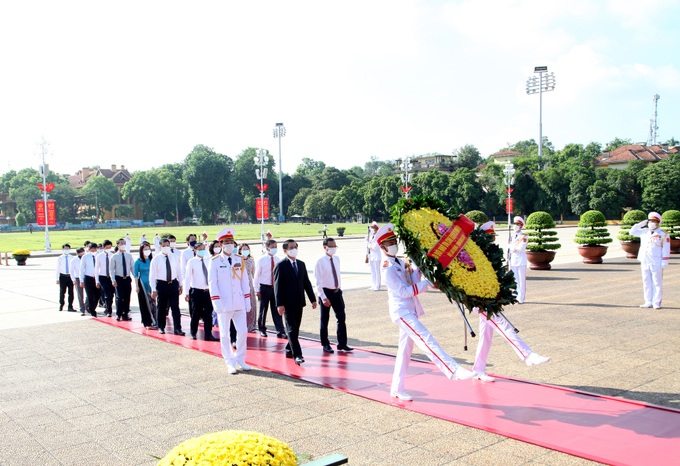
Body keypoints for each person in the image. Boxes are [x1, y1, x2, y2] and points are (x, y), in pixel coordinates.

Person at [376, 223, 474, 401]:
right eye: (389, 243)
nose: (394, 244)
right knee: (425, 338)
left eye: (394, 241)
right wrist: (426, 284)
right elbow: (404, 292)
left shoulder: (399, 261)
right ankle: (452, 369)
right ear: (382, 247)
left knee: (404, 352)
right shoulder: (387, 268)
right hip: (401, 312)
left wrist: (419, 268)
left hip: (410, 309)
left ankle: (396, 388)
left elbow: (411, 281)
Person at [470, 221, 552, 382]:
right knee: (504, 326)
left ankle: (478, 369)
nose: (492, 240)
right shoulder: (476, 255)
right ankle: (527, 355)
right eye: (489, 237)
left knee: (486, 336)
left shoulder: (487, 254)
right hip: (480, 302)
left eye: (492, 237)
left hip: (489, 300)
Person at [208, 228, 251, 374]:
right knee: (225, 334)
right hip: (224, 303)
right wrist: (216, 302)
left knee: (243, 332)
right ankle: (229, 361)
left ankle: (240, 357)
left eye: (231, 242)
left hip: (239, 301)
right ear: (220, 244)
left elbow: (244, 281)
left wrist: (247, 299)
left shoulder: (239, 259)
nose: (229, 244)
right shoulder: (214, 261)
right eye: (226, 242)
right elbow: (212, 284)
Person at [274, 239, 317, 365]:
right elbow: (277, 286)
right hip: (287, 304)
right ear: (285, 250)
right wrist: (279, 304)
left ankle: (288, 348)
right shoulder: (281, 265)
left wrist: (312, 299)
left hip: (299, 302)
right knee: (291, 329)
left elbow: (306, 283)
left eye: (295, 247)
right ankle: (297, 355)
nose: (294, 249)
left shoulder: (301, 264)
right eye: (291, 247)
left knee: (295, 329)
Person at [314, 237, 353, 354]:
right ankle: (325, 344)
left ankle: (342, 343)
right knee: (324, 320)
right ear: (324, 247)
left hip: (337, 292)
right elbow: (317, 281)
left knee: (341, 318)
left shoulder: (336, 259)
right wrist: (323, 297)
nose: (333, 249)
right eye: (331, 246)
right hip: (326, 292)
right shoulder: (320, 261)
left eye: (335, 246)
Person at [629, 212, 671, 309]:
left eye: (653, 221)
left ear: (658, 223)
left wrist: (665, 260)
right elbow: (632, 232)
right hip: (644, 260)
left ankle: (656, 302)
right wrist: (640, 224)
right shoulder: (644, 232)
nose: (651, 223)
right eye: (650, 221)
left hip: (656, 260)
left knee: (657, 282)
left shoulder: (663, 234)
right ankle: (647, 301)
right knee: (646, 281)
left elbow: (666, 248)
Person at [149, 237, 185, 335]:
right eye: (164, 246)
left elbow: (179, 271)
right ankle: (161, 326)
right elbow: (152, 276)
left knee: (175, 307)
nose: (166, 247)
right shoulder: (156, 259)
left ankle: (177, 328)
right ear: (160, 247)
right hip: (161, 284)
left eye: (167, 246)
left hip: (173, 283)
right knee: (162, 307)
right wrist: (153, 289)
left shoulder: (174, 257)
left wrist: (181, 284)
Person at [184, 241, 218, 341]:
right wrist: (186, 292)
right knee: (196, 313)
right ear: (195, 251)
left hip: (207, 291)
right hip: (196, 291)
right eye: (200, 249)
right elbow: (187, 278)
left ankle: (208, 334)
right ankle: (193, 332)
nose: (202, 251)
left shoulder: (209, 261)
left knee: (208, 314)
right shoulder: (192, 262)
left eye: (203, 249)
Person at [254, 239, 287, 338]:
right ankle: (262, 329)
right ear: (267, 248)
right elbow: (257, 276)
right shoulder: (261, 260)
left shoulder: (278, 259)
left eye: (276, 247)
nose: (274, 249)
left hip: (275, 288)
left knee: (277, 310)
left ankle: (280, 331)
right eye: (272, 247)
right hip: (264, 287)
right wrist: (257, 290)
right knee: (263, 310)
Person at [134, 241, 157, 329]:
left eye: (148, 249)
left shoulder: (152, 260)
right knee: (145, 303)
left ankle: (155, 320)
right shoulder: (138, 262)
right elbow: (136, 275)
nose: (147, 251)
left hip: (152, 283)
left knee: (153, 302)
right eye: (145, 249)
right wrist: (136, 286)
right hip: (143, 284)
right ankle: (147, 321)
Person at [110, 238, 134, 321]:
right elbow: (111, 269)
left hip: (127, 278)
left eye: (124, 243)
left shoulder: (129, 255)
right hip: (118, 278)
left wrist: (136, 277)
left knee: (127, 296)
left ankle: (125, 313)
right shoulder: (114, 256)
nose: (123, 245)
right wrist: (113, 280)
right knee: (119, 297)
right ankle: (118, 313)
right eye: (121, 244)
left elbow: (132, 267)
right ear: (118, 245)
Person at [238, 243, 258, 333]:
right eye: (243, 249)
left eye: (247, 249)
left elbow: (254, 273)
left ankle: (251, 325)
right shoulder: (238, 260)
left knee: (251, 305)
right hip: (240, 285)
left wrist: (257, 286)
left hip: (250, 285)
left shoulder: (251, 260)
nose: (245, 250)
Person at [509, 216, 528, 304]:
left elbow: (521, 247)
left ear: (521, 226)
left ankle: (521, 297)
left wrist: (513, 247)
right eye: (514, 224)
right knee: (515, 279)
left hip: (520, 260)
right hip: (513, 260)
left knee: (521, 280)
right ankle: (515, 296)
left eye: (517, 224)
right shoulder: (512, 236)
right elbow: (509, 247)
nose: (515, 226)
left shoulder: (523, 236)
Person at [79, 242, 101, 317]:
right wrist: (81, 280)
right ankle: (92, 310)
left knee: (97, 295)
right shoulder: (85, 257)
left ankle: (92, 307)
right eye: (92, 248)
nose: (93, 250)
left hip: (97, 278)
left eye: (95, 248)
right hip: (88, 278)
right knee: (90, 295)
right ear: (89, 249)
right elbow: (81, 269)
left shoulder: (99, 256)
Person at [95, 240, 115, 317]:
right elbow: (96, 269)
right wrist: (97, 281)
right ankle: (108, 310)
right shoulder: (99, 256)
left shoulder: (113, 255)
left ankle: (108, 307)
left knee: (111, 294)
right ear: (103, 247)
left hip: (111, 277)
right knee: (107, 293)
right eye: (107, 247)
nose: (108, 249)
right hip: (103, 277)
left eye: (110, 247)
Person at [55, 243, 76, 312]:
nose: (66, 250)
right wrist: (57, 279)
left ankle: (70, 306)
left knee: (71, 292)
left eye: (68, 249)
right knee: (62, 292)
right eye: (65, 249)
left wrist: (74, 278)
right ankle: (61, 304)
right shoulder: (60, 258)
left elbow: (74, 268)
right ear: (63, 249)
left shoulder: (72, 258)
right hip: (62, 276)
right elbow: (57, 269)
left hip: (70, 276)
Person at [366, 221, 382, 291]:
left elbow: (375, 247)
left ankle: (377, 286)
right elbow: (366, 241)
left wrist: (369, 246)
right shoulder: (371, 236)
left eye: (374, 229)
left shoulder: (378, 237)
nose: (373, 230)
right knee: (372, 271)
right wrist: (368, 233)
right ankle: (373, 285)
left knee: (377, 272)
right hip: (371, 256)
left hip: (376, 256)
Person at [71, 247, 86, 315]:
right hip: (77, 278)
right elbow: (71, 271)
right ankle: (82, 308)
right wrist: (73, 279)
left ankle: (86, 306)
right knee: (80, 295)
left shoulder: (86, 258)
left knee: (89, 294)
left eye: (83, 252)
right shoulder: (74, 260)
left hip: (86, 277)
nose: (82, 253)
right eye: (81, 252)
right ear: (77, 253)